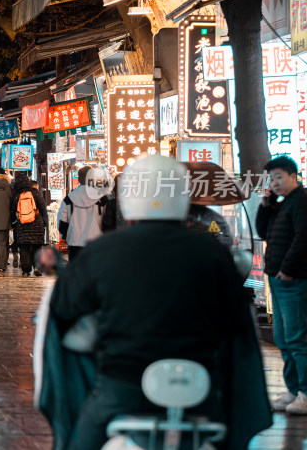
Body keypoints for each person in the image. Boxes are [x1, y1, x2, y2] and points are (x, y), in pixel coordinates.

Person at [46, 154, 269, 449]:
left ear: (128, 198)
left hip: (121, 386)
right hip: (200, 388)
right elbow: (236, 319)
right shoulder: (213, 253)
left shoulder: (101, 252)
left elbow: (62, 310)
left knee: (77, 440)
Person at [256, 155, 307, 414]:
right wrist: (266, 205)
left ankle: (305, 393)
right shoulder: (282, 204)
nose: (275, 182)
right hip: (277, 279)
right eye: (271, 178)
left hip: (292, 279)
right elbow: (263, 233)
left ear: (292, 175)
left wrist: (287, 270)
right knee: (283, 338)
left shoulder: (302, 200)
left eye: (279, 177)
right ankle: (293, 390)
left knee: (296, 339)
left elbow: (303, 238)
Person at [57, 166, 109, 261]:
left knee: (77, 273)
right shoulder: (102, 198)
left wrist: (68, 237)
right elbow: (108, 222)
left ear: (79, 179)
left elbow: (62, 223)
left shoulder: (69, 199)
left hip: (75, 244)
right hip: (97, 243)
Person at [10, 171, 48, 277]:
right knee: (37, 247)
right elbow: (42, 208)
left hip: (22, 225)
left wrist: (13, 223)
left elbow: (13, 211)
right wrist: (45, 222)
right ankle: (37, 267)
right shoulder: (35, 192)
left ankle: (26, 270)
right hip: (37, 224)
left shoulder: (17, 195)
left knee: (24, 248)